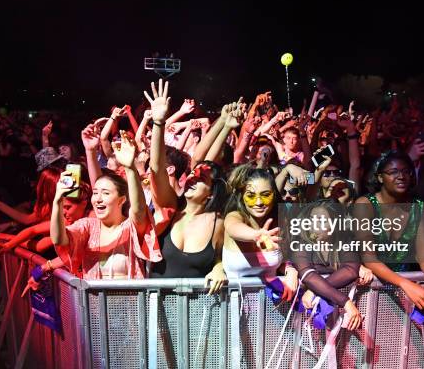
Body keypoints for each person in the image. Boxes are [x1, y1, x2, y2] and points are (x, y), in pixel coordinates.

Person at [144, 79, 233, 293]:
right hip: (159, 311)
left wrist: (220, 268)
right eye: (191, 174)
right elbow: (157, 169)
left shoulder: (218, 222)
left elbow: (220, 258)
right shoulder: (171, 208)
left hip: (198, 317)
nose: (193, 178)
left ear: (212, 191)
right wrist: (158, 123)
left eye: (200, 179)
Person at [50, 133, 160, 279]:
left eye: (106, 193)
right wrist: (57, 201)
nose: (98, 199)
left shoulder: (130, 227)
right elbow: (58, 240)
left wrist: (130, 168)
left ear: (121, 200)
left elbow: (139, 209)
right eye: (95, 193)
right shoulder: (88, 227)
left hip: (129, 301)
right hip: (92, 302)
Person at [353, 151, 424, 311]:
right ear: (380, 177)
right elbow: (369, 258)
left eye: (405, 171)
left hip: (405, 294)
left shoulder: (419, 207)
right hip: (368, 289)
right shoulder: (365, 204)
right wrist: (404, 283)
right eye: (393, 172)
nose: (401, 176)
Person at [223, 164, 298, 301]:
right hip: (233, 310)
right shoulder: (235, 216)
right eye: (251, 196)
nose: (258, 202)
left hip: (270, 310)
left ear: (274, 195)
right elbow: (233, 228)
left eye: (265, 195)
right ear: (242, 196)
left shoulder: (279, 222)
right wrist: (256, 235)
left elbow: (282, 260)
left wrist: (290, 269)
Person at [289, 200, 363, 330]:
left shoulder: (345, 241)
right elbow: (308, 275)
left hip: (333, 316)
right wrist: (345, 302)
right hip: (301, 315)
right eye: (311, 219)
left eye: (321, 221)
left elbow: (350, 270)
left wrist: (314, 290)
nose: (313, 226)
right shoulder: (301, 241)